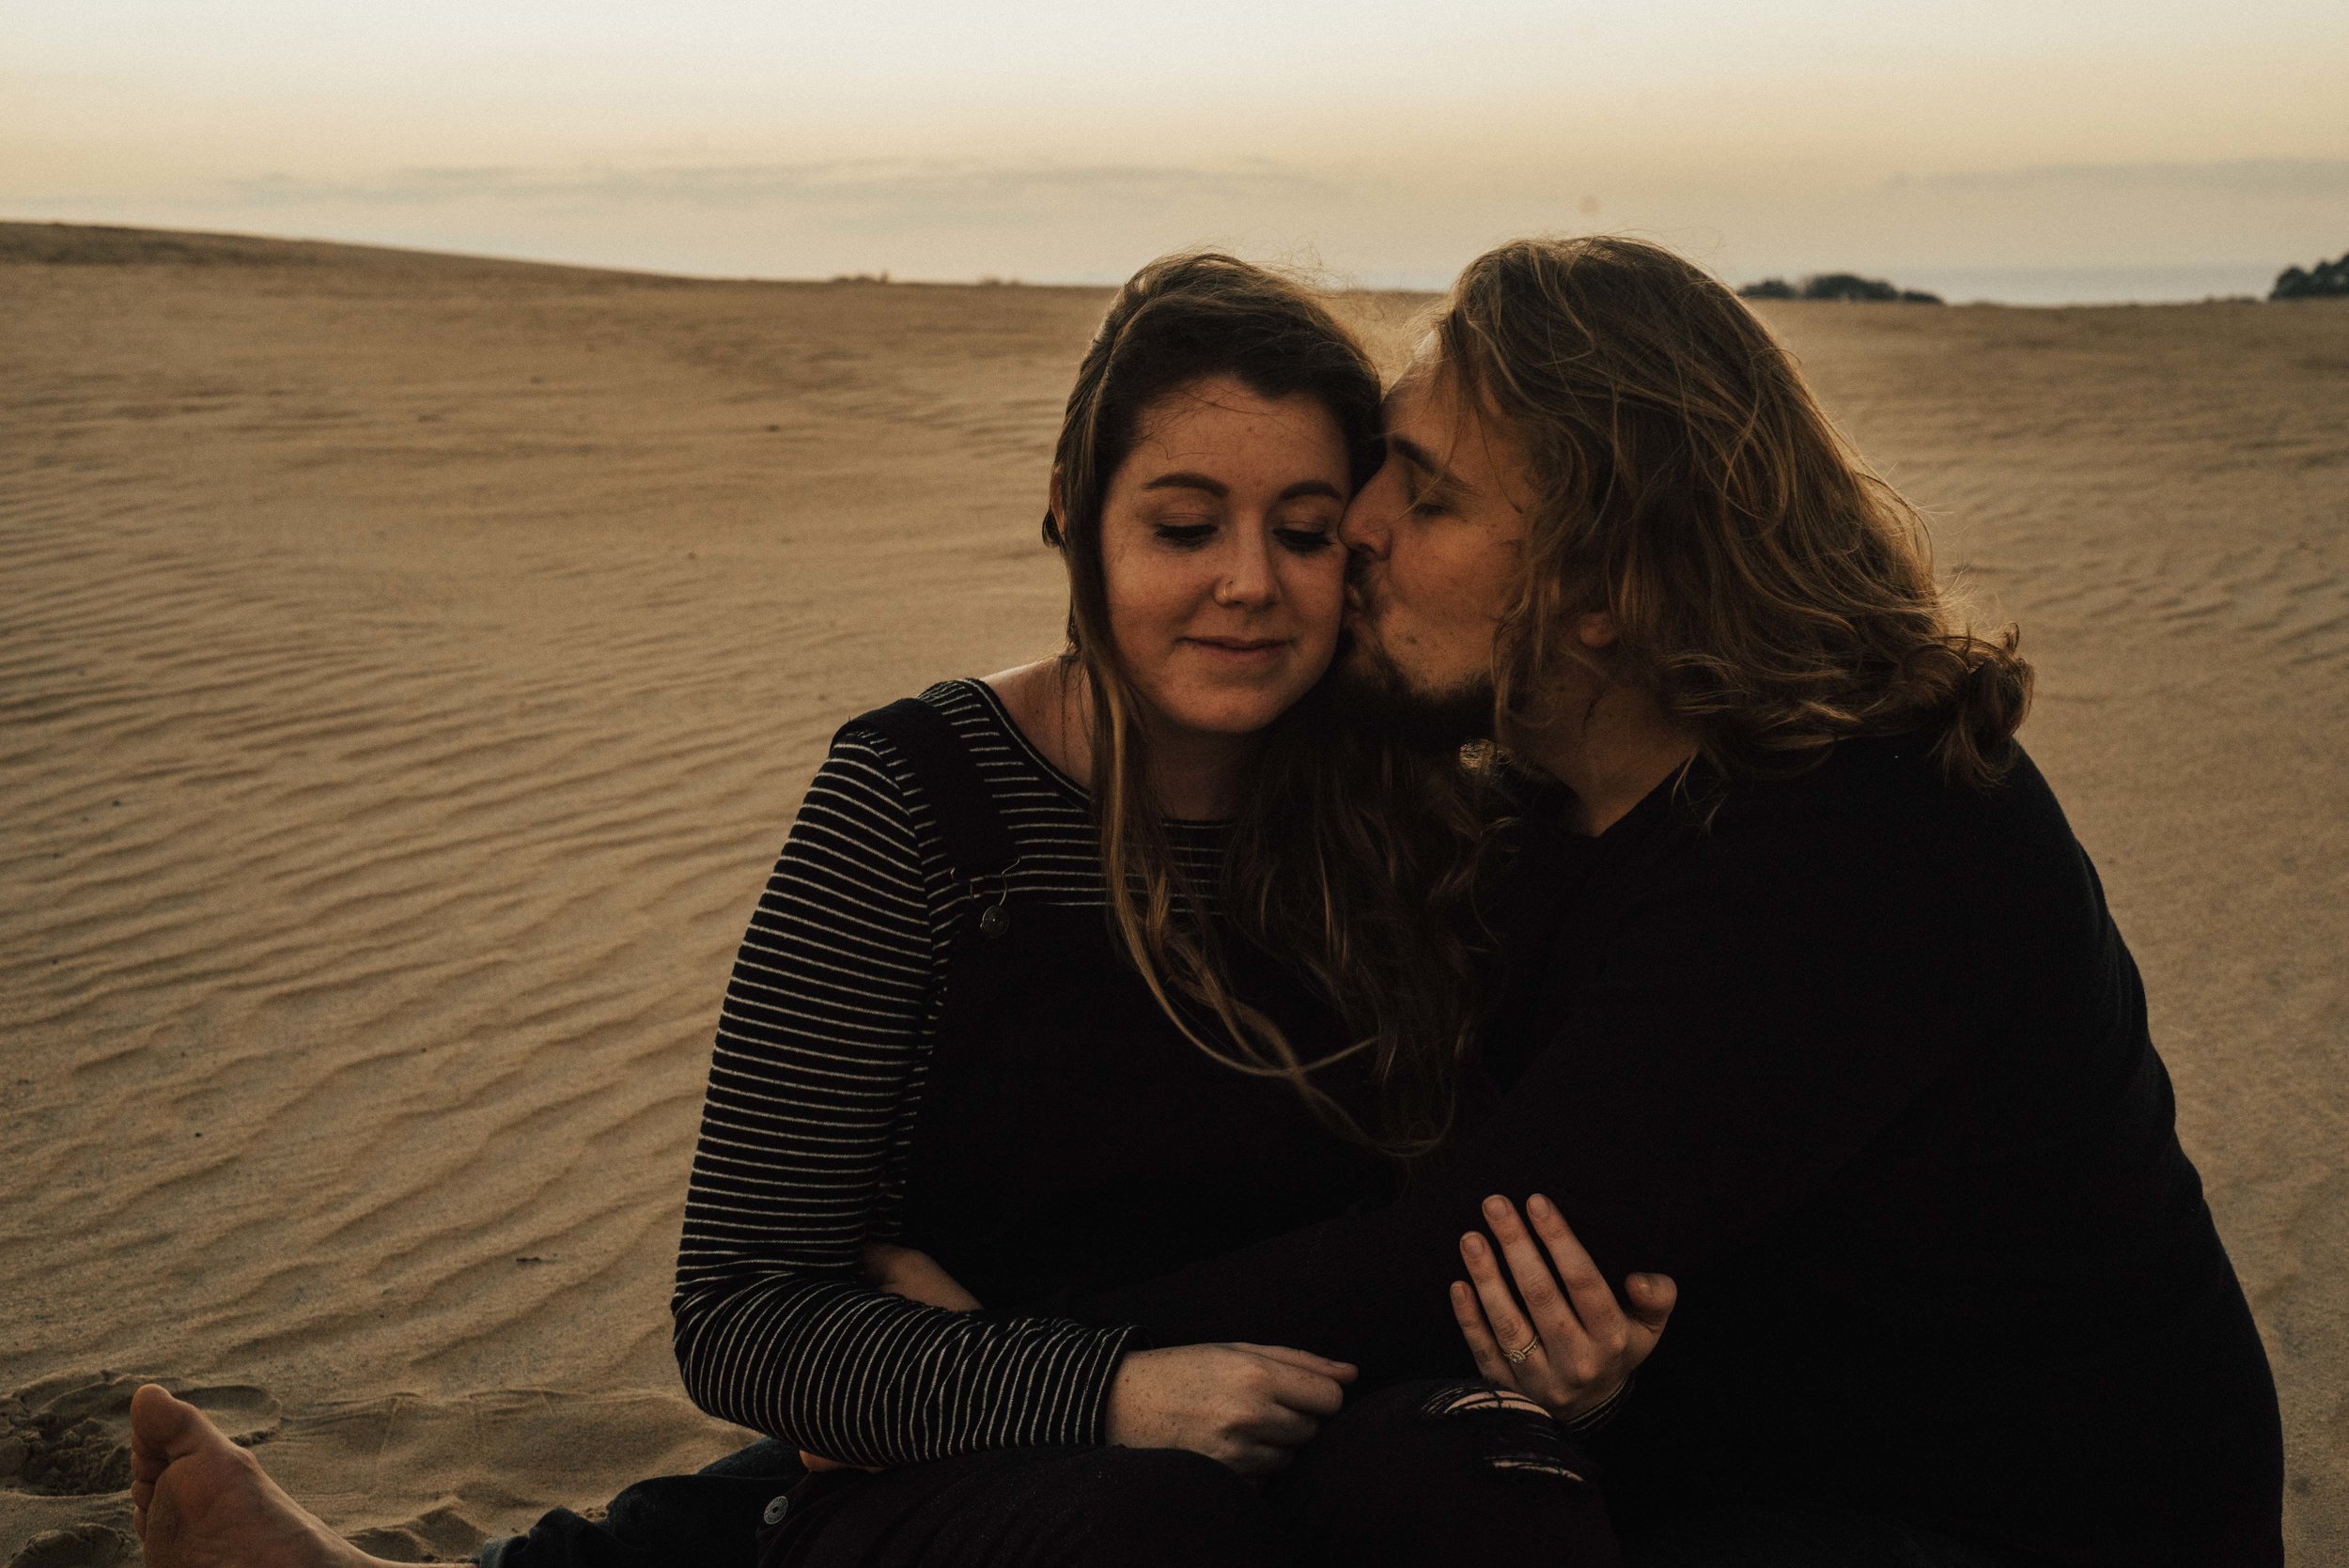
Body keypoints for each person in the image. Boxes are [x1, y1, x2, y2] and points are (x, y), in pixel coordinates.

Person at [123, 253, 1667, 1568]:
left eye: (1307, 529)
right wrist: (1093, 1388)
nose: (1249, 583)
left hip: (1340, 1423)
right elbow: (742, 1314)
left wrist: (1575, 1363)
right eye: (1184, 526)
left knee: (1496, 1487)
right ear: (1074, 519)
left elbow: (1484, 1205)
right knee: (1150, 1523)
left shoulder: (1432, 809)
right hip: (1005, 1478)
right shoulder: (923, 799)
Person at [958, 235, 2283, 1566]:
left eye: (1425, 498)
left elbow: (1451, 1253)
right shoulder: (1558, 800)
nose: (1354, 523)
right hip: (1732, 1472)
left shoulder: (1872, 837)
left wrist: (995, 1346)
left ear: (1604, 588)